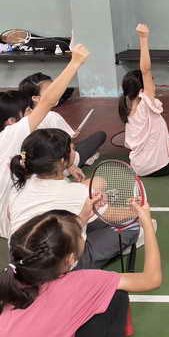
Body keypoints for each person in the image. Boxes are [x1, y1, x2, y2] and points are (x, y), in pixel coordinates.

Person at [0, 202, 161, 336]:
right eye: (80, 235)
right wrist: (147, 224)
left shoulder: (13, 277)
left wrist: (82, 218)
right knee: (117, 296)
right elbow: (151, 279)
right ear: (71, 259)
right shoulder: (84, 282)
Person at [7, 128, 137, 269]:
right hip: (57, 268)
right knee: (132, 226)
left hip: (22, 262)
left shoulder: (20, 185)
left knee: (94, 193)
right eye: (73, 149)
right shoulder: (75, 194)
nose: (75, 151)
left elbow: (11, 214)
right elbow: (115, 215)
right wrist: (139, 211)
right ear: (62, 161)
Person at [0, 43, 90, 239]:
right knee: (91, 191)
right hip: (19, 224)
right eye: (27, 111)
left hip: (13, 222)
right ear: (11, 122)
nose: (31, 114)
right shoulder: (11, 135)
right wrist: (75, 63)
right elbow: (48, 101)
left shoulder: (10, 140)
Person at [119, 24, 169, 177]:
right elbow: (145, 70)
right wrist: (143, 38)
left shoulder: (128, 112)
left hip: (138, 167)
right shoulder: (146, 104)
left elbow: (147, 141)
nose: (153, 81)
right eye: (151, 80)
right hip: (161, 167)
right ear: (142, 90)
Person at [19, 72, 106, 168]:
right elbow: (67, 143)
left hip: (38, 168)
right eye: (51, 90)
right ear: (36, 98)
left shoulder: (22, 121)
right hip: (61, 166)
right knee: (100, 135)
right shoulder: (52, 116)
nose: (57, 92)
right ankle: (82, 161)